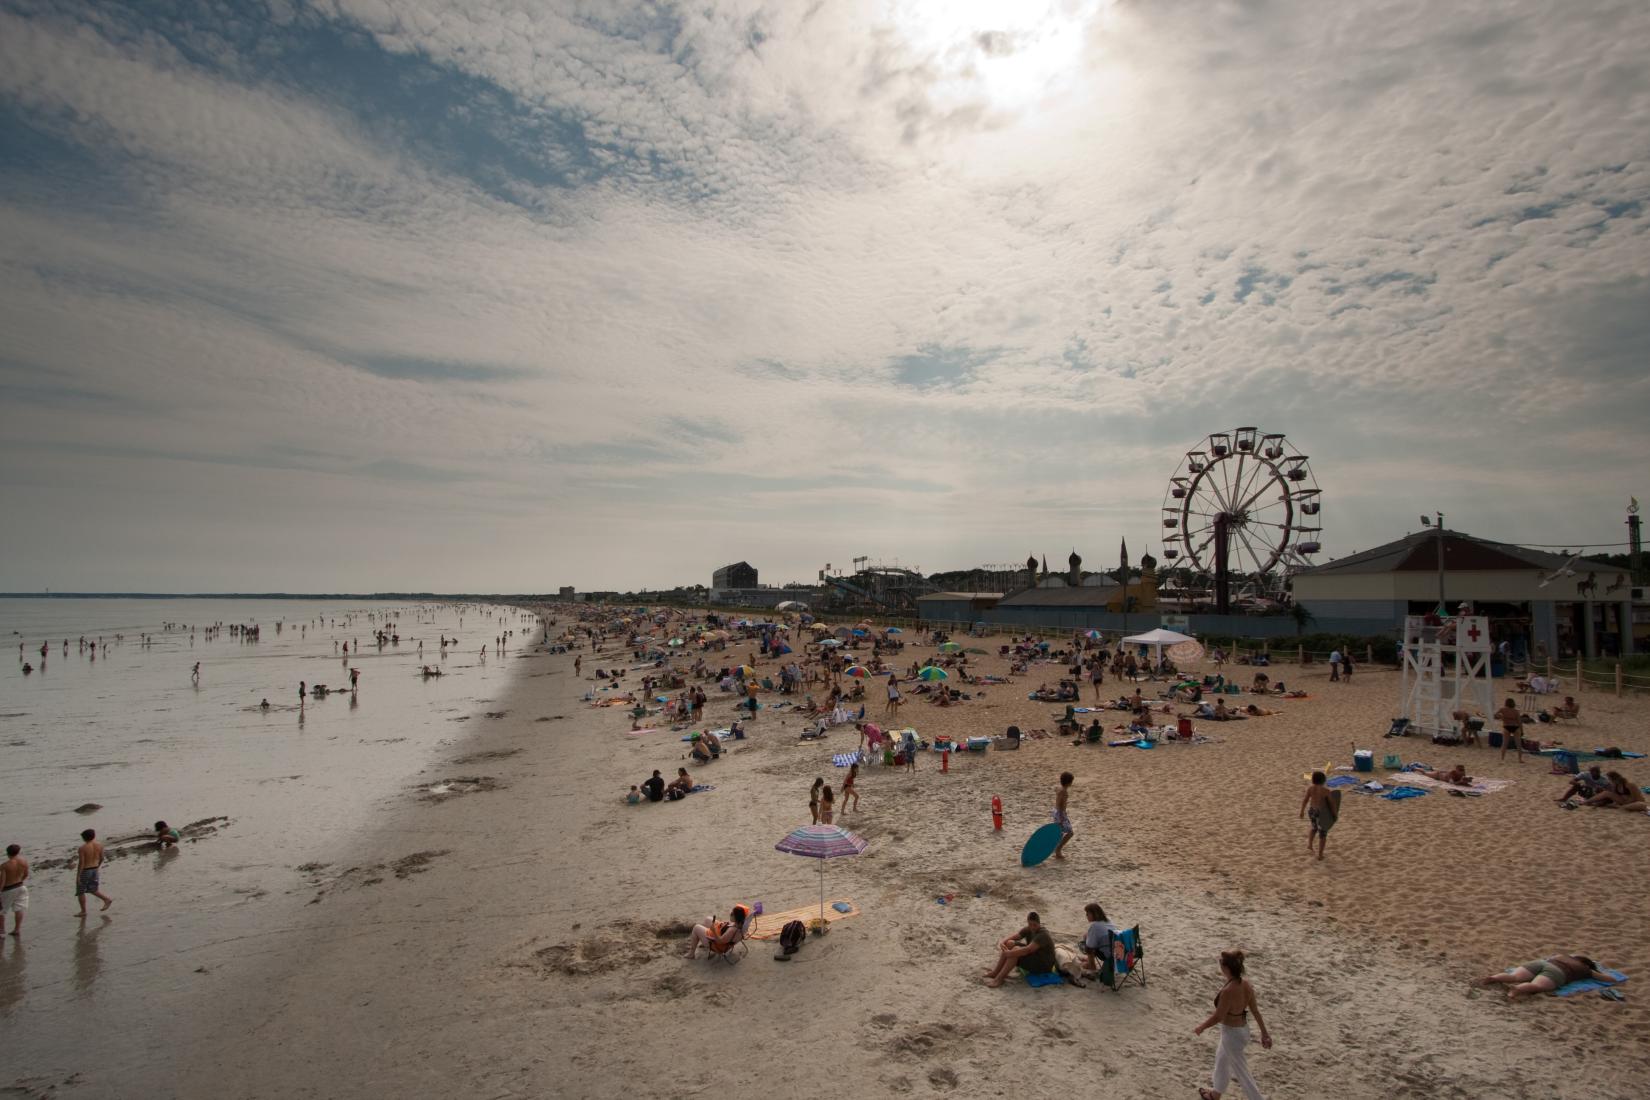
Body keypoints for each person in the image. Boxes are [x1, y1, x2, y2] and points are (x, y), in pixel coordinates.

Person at [1194, 949, 1272, 1099]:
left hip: (1232, 1035)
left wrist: (1201, 1027)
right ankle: (1215, 1094)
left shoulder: (1228, 991)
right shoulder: (1246, 985)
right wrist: (1264, 1033)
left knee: (1241, 1071)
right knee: (1221, 1059)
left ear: (1226, 968)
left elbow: (1218, 1016)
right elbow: (1255, 1011)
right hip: (1242, 1030)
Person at [1476, 954, 1621, 1000]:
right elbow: (1611, 980)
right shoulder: (1585, 970)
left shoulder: (1562, 955)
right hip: (1558, 972)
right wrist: (1597, 971)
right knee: (1538, 986)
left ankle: (1494, 978)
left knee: (1513, 975)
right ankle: (1517, 990)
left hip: (1541, 963)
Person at [984, 911, 1057, 987]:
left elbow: (1027, 950)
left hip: (1043, 965)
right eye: (1030, 924)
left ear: (1039, 924)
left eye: (1035, 925)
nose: (1032, 927)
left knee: (1015, 951)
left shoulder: (1043, 935)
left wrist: (1009, 953)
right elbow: (1016, 936)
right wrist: (1003, 942)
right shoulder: (1029, 929)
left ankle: (999, 979)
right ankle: (995, 972)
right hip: (1035, 956)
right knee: (1010, 943)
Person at [682, 904, 751, 959]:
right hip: (722, 935)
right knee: (707, 919)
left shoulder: (732, 930)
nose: (730, 913)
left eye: (732, 914)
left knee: (696, 927)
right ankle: (702, 940)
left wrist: (714, 930)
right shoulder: (741, 925)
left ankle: (691, 953)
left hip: (717, 945)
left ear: (736, 918)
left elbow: (720, 941)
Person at [75, 828, 113, 916]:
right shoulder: (99, 846)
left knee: (80, 891)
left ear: (84, 838)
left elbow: (81, 863)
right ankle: (106, 899)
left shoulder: (82, 848)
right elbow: (102, 858)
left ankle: (83, 911)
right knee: (93, 889)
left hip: (86, 870)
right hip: (95, 869)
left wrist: (78, 876)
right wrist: (97, 867)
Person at [1300, 771, 1335, 861]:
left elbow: (1305, 800)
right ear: (1324, 780)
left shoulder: (1310, 789)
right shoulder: (1326, 791)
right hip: (1321, 813)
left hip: (1311, 811)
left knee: (1314, 828)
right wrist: (1334, 814)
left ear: (1313, 780)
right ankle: (1320, 854)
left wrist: (1302, 811)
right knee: (1323, 834)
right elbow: (1331, 804)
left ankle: (1310, 845)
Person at [1079, 902, 1119, 975]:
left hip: (1108, 954)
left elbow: (1090, 946)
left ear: (1092, 914)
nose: (1086, 916)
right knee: (1087, 936)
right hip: (1118, 950)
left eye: (1087, 914)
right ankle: (1088, 961)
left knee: (1088, 947)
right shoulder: (1108, 919)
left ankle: (1092, 967)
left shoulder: (1095, 926)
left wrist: (1087, 939)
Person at [1584, 771, 1648, 811]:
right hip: (1623, 801)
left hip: (1635, 802)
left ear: (1613, 779)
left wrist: (1626, 801)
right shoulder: (1615, 785)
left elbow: (1635, 798)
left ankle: (1621, 807)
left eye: (1609, 779)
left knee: (1641, 805)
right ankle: (1587, 801)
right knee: (1606, 793)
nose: (1608, 781)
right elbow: (1614, 796)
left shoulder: (1629, 785)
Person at [1, 843, 28, 936]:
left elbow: (2, 881)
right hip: (21, 887)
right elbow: (26, 874)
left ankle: (2, 930)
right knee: (19, 909)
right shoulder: (24, 861)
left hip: (8, 889)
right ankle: (17, 929)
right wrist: (20, 880)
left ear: (7, 853)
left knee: (2, 911)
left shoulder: (4, 865)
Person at [1052, 772, 1075, 860]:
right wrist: (1061, 818)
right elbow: (1062, 805)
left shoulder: (1059, 788)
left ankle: (1057, 850)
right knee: (1070, 833)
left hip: (1056, 812)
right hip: (1060, 814)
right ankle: (1058, 850)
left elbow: (1055, 789)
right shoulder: (1064, 792)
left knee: (1060, 833)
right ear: (1069, 783)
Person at [1494, 698, 1524, 762]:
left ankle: (1502, 758)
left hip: (1506, 726)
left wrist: (1502, 717)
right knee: (1518, 744)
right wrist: (1522, 731)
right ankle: (1520, 759)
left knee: (1504, 743)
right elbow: (1519, 722)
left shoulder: (1503, 709)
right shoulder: (1516, 711)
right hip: (1515, 727)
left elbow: (1495, 715)